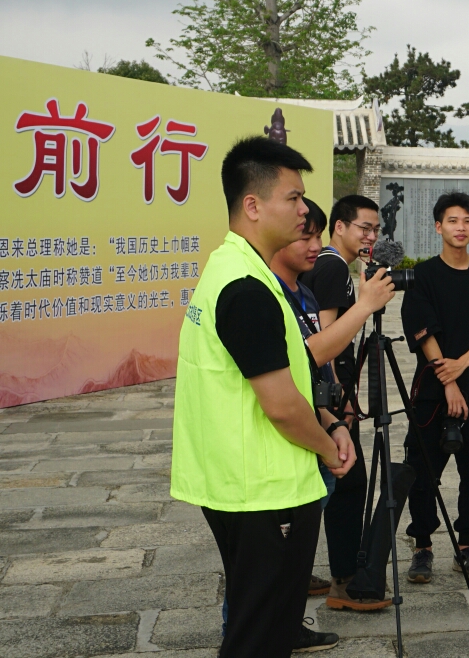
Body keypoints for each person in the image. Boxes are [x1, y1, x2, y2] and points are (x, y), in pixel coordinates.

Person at [170, 137, 354, 658]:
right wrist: (326, 446)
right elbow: (277, 404)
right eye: (294, 198)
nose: (304, 211)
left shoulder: (234, 268)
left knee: (257, 622)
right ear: (253, 205)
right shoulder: (246, 288)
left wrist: (327, 418)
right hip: (261, 489)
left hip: (237, 481)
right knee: (262, 633)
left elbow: (274, 373)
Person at [400, 192, 469, 583]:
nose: (460, 227)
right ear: (438, 226)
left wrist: (462, 364)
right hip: (433, 391)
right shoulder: (422, 275)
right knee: (422, 470)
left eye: (467, 220)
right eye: (452, 220)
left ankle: (466, 544)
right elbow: (422, 329)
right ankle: (422, 547)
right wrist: (446, 379)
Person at [299, 194, 397, 612]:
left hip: (330, 393)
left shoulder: (328, 264)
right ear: (339, 227)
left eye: (375, 230)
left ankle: (306, 571)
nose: (370, 236)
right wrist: (343, 399)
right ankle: (345, 579)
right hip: (332, 396)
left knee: (331, 482)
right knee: (346, 483)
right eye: (363, 228)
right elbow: (326, 338)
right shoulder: (332, 265)